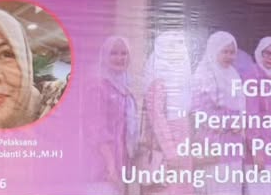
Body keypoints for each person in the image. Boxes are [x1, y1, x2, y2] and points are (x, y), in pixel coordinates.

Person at [91, 36, 142, 182]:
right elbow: (97, 129)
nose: (120, 58)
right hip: (104, 163)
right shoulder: (98, 86)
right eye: (113, 53)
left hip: (125, 158)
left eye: (124, 53)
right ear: (104, 56)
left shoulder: (128, 85)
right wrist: (110, 165)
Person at [142, 31, 192, 162]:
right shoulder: (158, 78)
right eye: (171, 46)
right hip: (166, 149)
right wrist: (170, 152)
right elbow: (157, 118)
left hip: (181, 145)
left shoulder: (180, 78)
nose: (176, 51)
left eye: (179, 46)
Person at [192, 30, 244, 117]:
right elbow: (198, 107)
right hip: (210, 122)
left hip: (233, 122)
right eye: (225, 52)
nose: (229, 56)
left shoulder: (234, 74)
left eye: (232, 52)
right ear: (214, 51)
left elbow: (240, 102)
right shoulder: (203, 73)